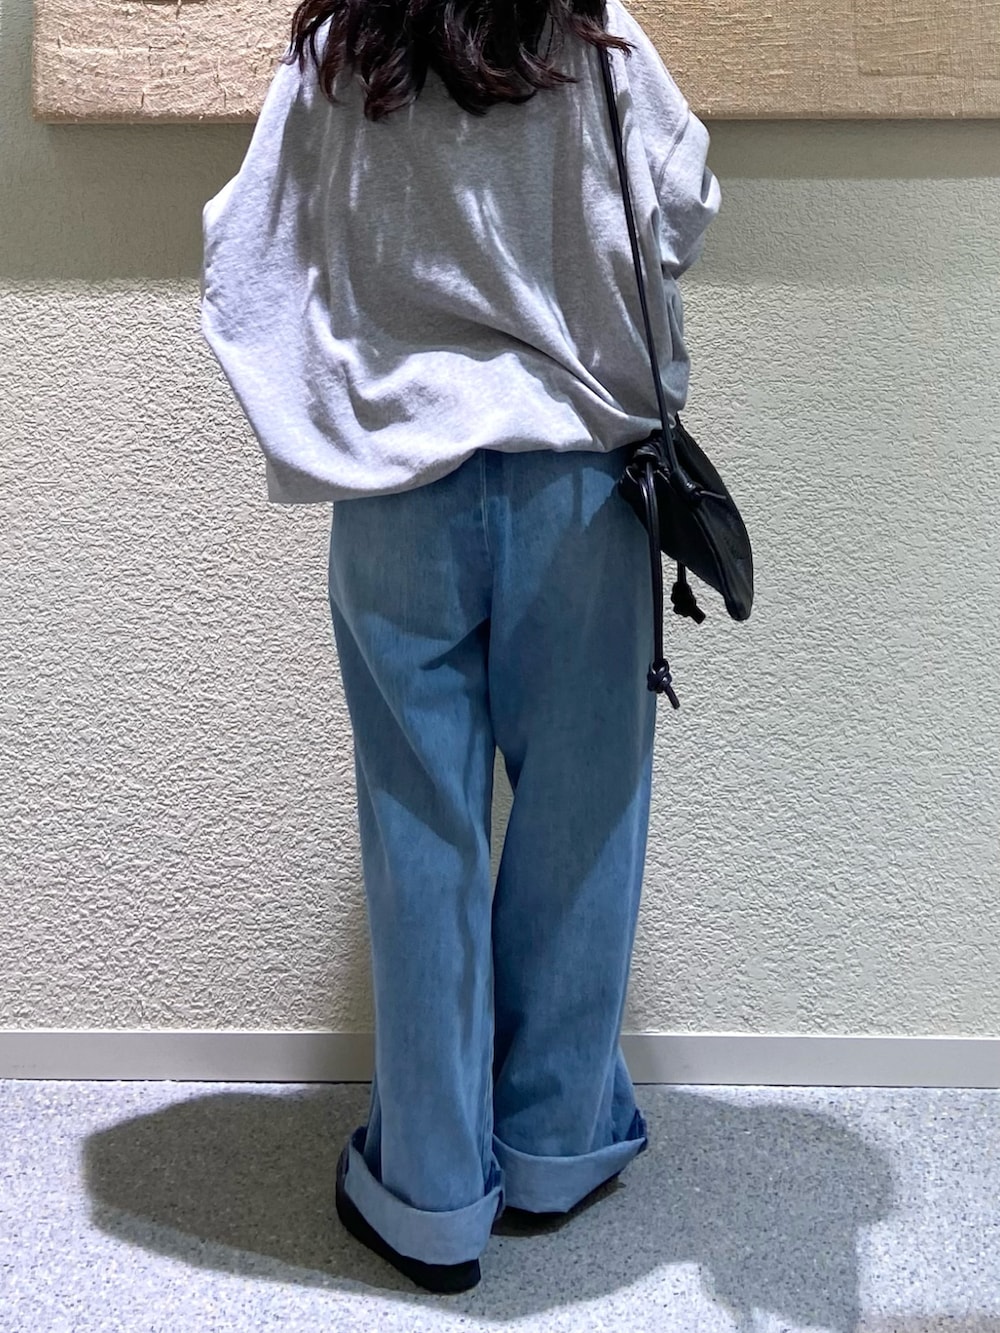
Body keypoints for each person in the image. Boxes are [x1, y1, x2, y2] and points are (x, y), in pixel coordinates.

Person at [200, 0, 720, 1296]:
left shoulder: (342, 48)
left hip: (398, 498)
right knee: (583, 826)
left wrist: (328, 403)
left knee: (420, 831)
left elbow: (242, 248)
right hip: (579, 491)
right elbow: (685, 194)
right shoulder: (585, 31)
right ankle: (554, 1147)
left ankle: (431, 1195)